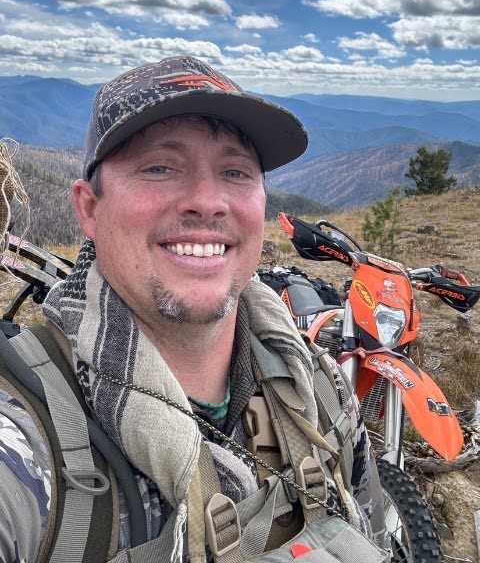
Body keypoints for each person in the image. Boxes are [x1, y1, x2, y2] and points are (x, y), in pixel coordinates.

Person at [0, 57, 383, 562]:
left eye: (235, 171)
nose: (207, 201)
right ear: (90, 209)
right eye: (160, 167)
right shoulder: (29, 442)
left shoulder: (316, 388)